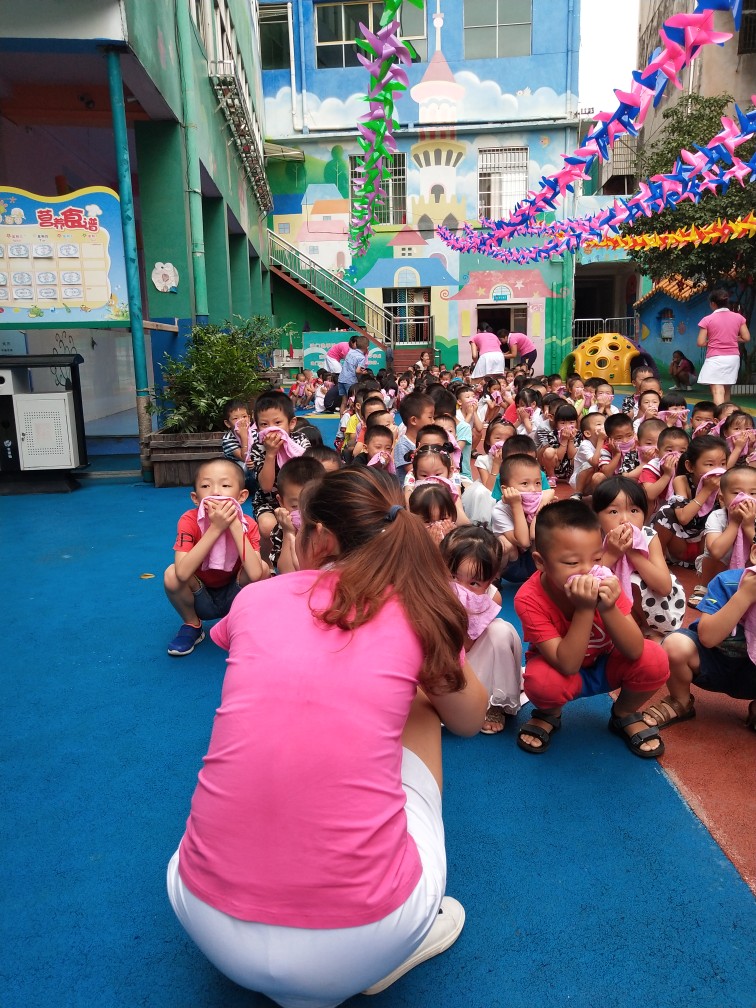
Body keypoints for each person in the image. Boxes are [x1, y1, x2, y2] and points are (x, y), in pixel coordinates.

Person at [167, 468, 488, 1007]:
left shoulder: (256, 600)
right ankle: (391, 946)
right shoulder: (418, 610)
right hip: (365, 936)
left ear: (318, 537)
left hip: (206, 918)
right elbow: (468, 720)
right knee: (422, 707)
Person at [513, 500, 669, 758]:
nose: (588, 571)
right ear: (541, 562)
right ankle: (549, 714)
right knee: (541, 682)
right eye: (572, 563)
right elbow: (567, 665)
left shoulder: (606, 580)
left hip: (607, 664)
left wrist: (608, 608)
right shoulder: (529, 598)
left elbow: (634, 650)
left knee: (654, 658)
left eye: (597, 558)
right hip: (563, 670)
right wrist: (585, 609)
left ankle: (624, 713)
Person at [647, 537, 756, 733]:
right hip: (713, 663)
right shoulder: (728, 582)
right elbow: (707, 638)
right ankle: (680, 701)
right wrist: (745, 595)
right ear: (754, 553)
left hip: (750, 676)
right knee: (675, 645)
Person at [163, 458, 268, 657]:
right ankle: (192, 625)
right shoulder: (188, 520)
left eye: (225, 485)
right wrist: (216, 529)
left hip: (234, 595)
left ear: (242, 496)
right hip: (200, 594)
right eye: (206, 486)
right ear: (195, 498)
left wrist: (234, 526)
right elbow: (182, 573)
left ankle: (243, 622)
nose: (216, 492)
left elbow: (255, 574)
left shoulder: (248, 524)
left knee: (262, 567)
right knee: (171, 574)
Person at [440, 526, 523, 734]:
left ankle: (496, 702)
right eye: (453, 577)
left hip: (475, 662)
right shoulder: (436, 591)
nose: (461, 588)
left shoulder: (492, 597)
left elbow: (471, 641)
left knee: (501, 631)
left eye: (474, 583)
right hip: (445, 661)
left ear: (492, 578)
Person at [592, 476, 686, 643]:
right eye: (613, 511)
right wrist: (612, 554)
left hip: (655, 613)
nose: (625, 519)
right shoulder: (593, 539)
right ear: (597, 517)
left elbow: (664, 587)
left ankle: (648, 631)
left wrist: (631, 552)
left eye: (634, 510)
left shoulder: (648, 536)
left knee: (634, 580)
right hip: (608, 613)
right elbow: (589, 580)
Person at [247, 391, 312, 564]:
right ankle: (266, 563)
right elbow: (266, 486)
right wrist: (271, 454)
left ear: (291, 423)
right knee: (267, 527)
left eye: (277, 423)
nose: (271, 429)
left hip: (298, 499)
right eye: (264, 424)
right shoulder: (258, 448)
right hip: (267, 501)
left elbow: (308, 474)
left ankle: (300, 559)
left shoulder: (300, 441)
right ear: (257, 427)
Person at [269, 455, 325, 574]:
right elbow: (286, 572)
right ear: (281, 501)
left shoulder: (330, 525)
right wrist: (288, 532)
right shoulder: (281, 529)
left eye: (310, 504)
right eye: (295, 506)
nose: (303, 512)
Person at [697, 289, 750, 405]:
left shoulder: (707, 319)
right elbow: (746, 338)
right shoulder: (738, 317)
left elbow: (700, 342)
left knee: (718, 391)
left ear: (713, 303)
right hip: (733, 358)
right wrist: (732, 338)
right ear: (726, 302)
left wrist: (713, 341)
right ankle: (727, 415)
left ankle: (720, 415)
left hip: (715, 358)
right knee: (727, 390)